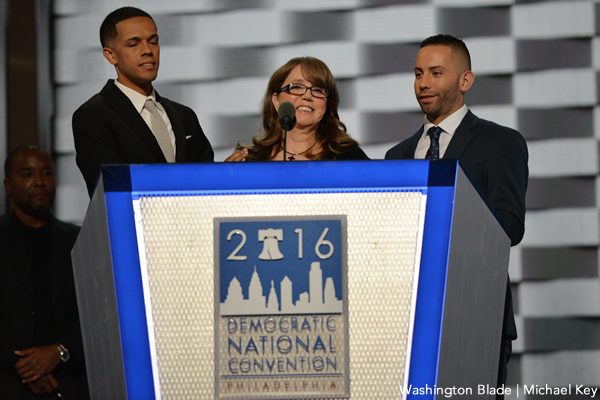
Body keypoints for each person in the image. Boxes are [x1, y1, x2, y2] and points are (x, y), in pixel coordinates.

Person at [385, 34, 528, 394]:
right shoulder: (396, 155)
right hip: (409, 322)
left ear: (465, 80)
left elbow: (508, 225)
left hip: (477, 316)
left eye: (435, 72)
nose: (423, 84)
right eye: (418, 73)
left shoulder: (500, 142)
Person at [72, 6, 214, 196]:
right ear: (110, 55)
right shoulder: (93, 116)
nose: (147, 50)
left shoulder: (183, 115)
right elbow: (112, 187)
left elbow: (206, 180)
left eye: (153, 41)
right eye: (133, 44)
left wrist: (227, 172)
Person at [0, 146, 89, 399]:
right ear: (8, 185)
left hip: (69, 385)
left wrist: (61, 351)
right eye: (27, 174)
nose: (39, 182)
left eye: (46, 173)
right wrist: (29, 368)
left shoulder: (78, 241)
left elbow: (96, 314)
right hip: (7, 383)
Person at [226, 57, 368, 161]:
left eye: (318, 90)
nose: (307, 95)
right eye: (297, 87)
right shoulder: (250, 160)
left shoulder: (350, 158)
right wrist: (223, 180)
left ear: (327, 104)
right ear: (276, 100)